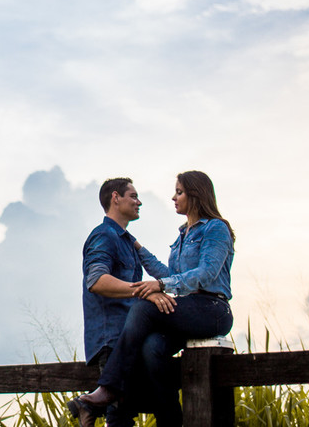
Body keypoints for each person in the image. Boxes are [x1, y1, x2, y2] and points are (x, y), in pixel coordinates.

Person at [70, 171, 235, 427]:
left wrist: (157, 286)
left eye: (179, 192)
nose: (174, 197)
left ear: (195, 193)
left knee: (144, 308)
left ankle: (107, 389)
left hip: (212, 308)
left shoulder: (215, 227)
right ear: (116, 198)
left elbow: (204, 274)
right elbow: (174, 276)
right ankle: (170, 420)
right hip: (185, 311)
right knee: (152, 348)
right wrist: (139, 249)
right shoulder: (181, 235)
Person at [73, 177, 152, 427]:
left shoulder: (126, 240)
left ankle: (88, 407)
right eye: (133, 196)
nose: (139, 202)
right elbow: (96, 280)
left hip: (127, 338)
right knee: (119, 415)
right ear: (115, 198)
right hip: (112, 340)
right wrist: (143, 291)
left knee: (126, 410)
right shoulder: (104, 236)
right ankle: (87, 406)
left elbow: (162, 270)